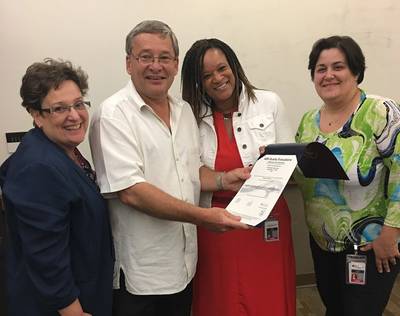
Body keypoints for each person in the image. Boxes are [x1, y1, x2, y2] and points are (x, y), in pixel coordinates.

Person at [89, 20, 250, 316]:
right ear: (128, 63)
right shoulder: (113, 115)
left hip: (185, 264)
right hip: (143, 275)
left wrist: (225, 179)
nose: (156, 66)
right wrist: (203, 217)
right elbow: (132, 192)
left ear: (176, 64)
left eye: (164, 57)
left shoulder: (183, 110)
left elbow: (192, 171)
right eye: (145, 57)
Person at [181, 38, 296, 316]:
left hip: (267, 221)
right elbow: (190, 172)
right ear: (197, 82)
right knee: (221, 300)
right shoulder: (188, 116)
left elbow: (292, 159)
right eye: (206, 75)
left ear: (234, 66)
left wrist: (273, 164)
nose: (217, 79)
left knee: (268, 298)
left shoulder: (269, 102)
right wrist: (222, 178)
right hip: (216, 223)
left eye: (222, 68)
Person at [295, 35, 400, 316]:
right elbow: (301, 171)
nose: (328, 75)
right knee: (335, 309)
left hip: (371, 244)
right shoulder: (308, 121)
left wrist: (390, 234)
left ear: (356, 71)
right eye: (320, 69)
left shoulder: (380, 111)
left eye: (338, 67)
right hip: (322, 243)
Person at [0, 59, 114, 316]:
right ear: (36, 115)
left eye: (78, 104)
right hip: (60, 306)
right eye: (59, 109)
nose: (74, 116)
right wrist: (71, 310)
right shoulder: (38, 168)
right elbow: (45, 255)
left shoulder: (63, 151)